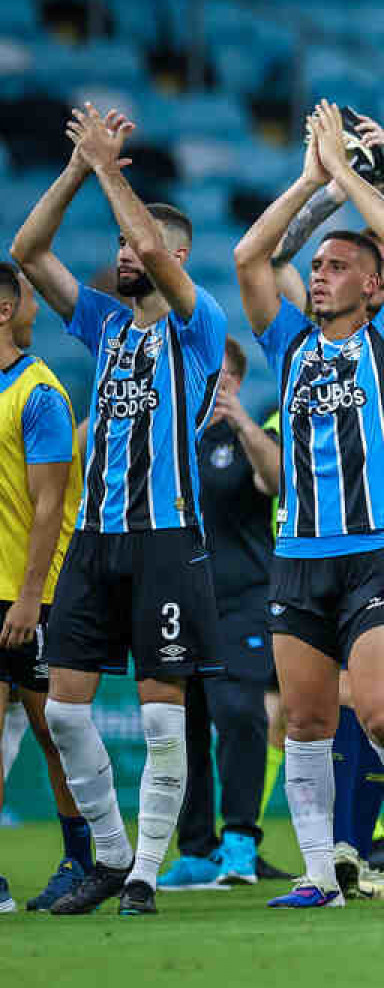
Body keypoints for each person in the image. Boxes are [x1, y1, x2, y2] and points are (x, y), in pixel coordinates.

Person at [10, 104, 228, 917]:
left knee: (163, 719)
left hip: (166, 539)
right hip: (95, 542)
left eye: (136, 249)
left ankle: (145, 872)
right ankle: (109, 852)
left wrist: (109, 169)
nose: (121, 258)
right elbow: (26, 252)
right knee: (65, 711)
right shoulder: (101, 324)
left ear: (172, 259)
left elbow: (148, 249)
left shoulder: (197, 325)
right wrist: (76, 168)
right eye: (118, 251)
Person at [231, 99, 384, 908]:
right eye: (315, 266)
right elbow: (253, 255)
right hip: (299, 556)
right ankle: (320, 873)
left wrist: (353, 175)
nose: (317, 273)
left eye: (332, 266)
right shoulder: (288, 342)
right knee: (308, 725)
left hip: (376, 550)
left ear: (371, 284)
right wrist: (311, 179)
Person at [157, 338, 282, 890]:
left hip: (240, 601)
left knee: (240, 715)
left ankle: (239, 842)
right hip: (178, 605)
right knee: (181, 726)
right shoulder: (171, 441)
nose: (210, 385)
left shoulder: (253, 437)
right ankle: (197, 848)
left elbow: (276, 481)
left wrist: (240, 419)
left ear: (234, 377)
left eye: (220, 376)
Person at [0, 260, 92, 913]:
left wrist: (30, 597)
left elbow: (50, 504)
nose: (36, 307)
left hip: (35, 593)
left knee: (51, 733)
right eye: (31, 296)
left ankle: (81, 861)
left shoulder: (40, 393)